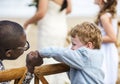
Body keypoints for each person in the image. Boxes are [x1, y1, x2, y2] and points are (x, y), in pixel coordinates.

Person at [28, 22, 104, 84]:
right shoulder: (96, 56)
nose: (72, 48)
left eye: (74, 44)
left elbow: (60, 53)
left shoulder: (85, 56)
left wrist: (40, 53)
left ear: (88, 45)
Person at [24, 0, 72, 83]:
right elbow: (69, 9)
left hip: (48, 28)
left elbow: (41, 13)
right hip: (61, 27)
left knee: (44, 54)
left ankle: (44, 80)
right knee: (57, 54)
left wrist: (27, 22)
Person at [94, 0, 118, 83]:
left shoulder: (104, 17)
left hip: (106, 51)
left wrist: (92, 37)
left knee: (105, 77)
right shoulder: (106, 15)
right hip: (107, 50)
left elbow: (112, 38)